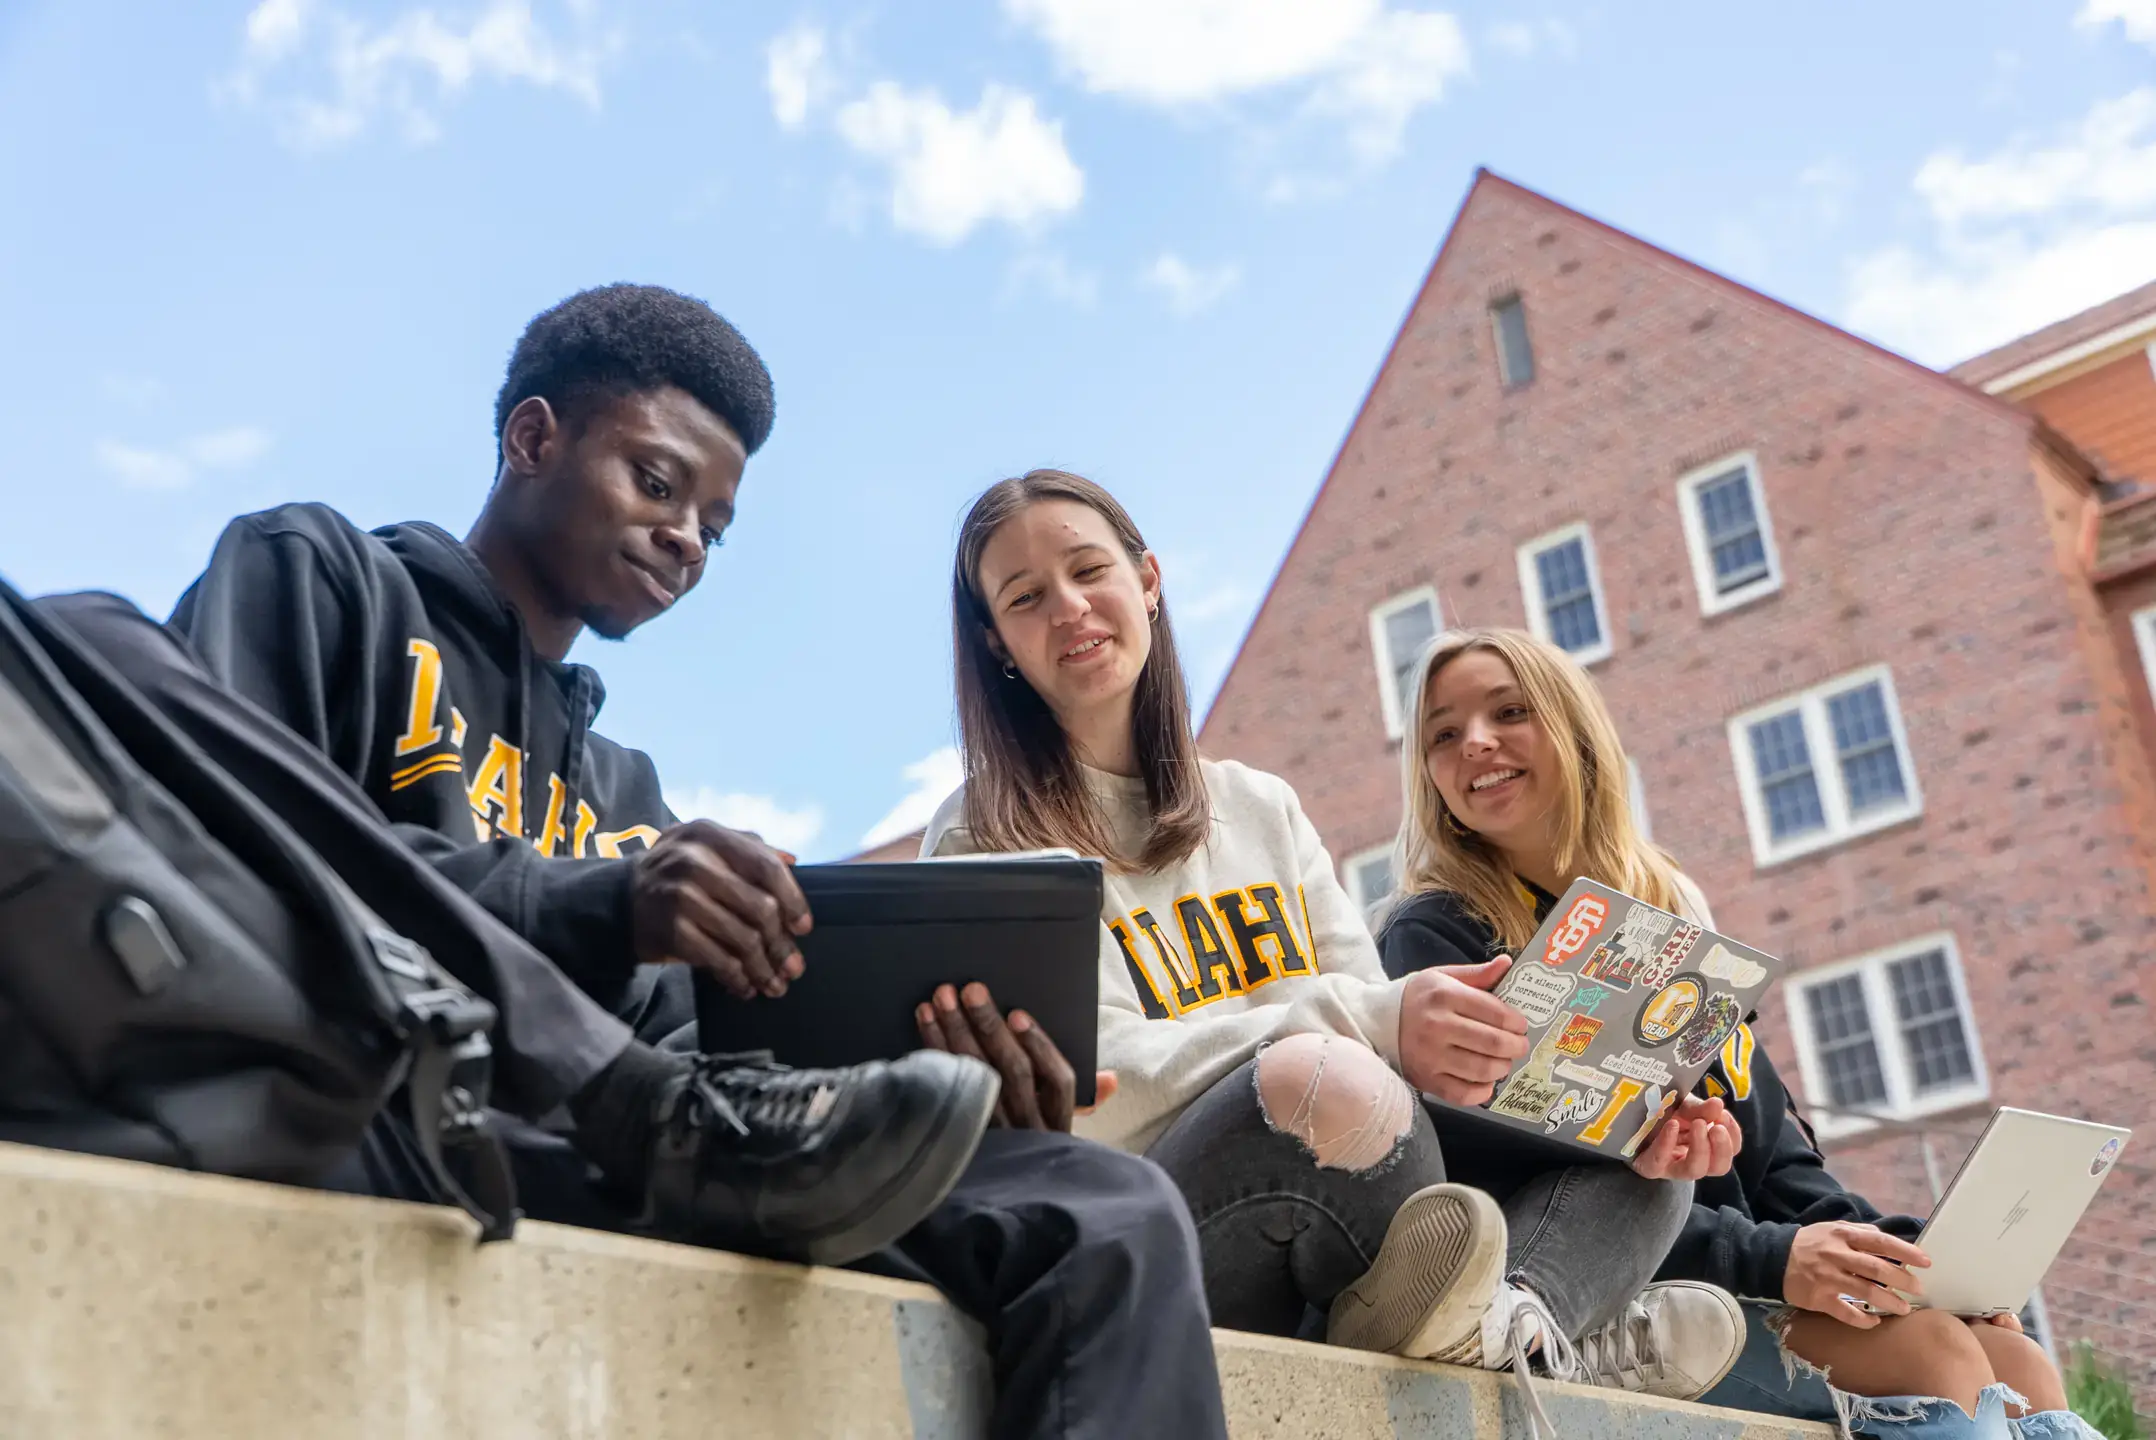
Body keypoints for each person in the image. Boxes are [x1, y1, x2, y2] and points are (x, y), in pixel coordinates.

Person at [168, 285, 1228, 1440]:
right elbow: (223, 847)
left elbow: (710, 1065)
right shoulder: (322, 578)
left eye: (714, 527)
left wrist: (945, 1081)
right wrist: (598, 904)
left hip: (653, 1153)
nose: (686, 538)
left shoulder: (628, 798)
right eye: (658, 484)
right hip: (397, 1110)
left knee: (1107, 1210)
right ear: (534, 439)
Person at [920, 468, 1749, 1420]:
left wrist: (1581, 1090)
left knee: (1637, 1148)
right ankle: (1540, 1348)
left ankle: (1516, 1326)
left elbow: (1376, 1033)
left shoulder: (1260, 807)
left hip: (1359, 1209)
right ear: (997, 641)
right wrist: (1365, 1024)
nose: (1068, 608)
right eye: (1025, 597)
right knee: (1323, 1078)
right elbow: (1080, 1089)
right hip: (1160, 1227)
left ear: (1148, 580)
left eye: (1088, 570)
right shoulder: (980, 835)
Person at [1378, 625, 2094, 1440]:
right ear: (1430, 774)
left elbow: (1779, 1164)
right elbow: (1500, 1174)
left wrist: (1913, 1264)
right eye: (1443, 732)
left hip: (1740, 1269)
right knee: (1937, 1357)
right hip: (1616, 1302)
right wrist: (1775, 1261)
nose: (1475, 742)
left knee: (2019, 1362)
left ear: (1575, 733)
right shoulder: (1437, 937)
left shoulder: (1669, 929)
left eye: (1509, 711)